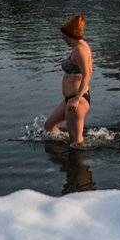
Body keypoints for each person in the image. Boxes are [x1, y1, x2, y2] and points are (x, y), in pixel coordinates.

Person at [44, 14, 93, 146]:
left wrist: (77, 99)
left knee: (76, 143)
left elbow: (88, 74)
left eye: (64, 35)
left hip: (77, 100)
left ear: (69, 36)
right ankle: (62, 149)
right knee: (49, 126)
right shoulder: (78, 47)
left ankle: (77, 165)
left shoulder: (80, 51)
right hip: (69, 99)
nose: (62, 38)